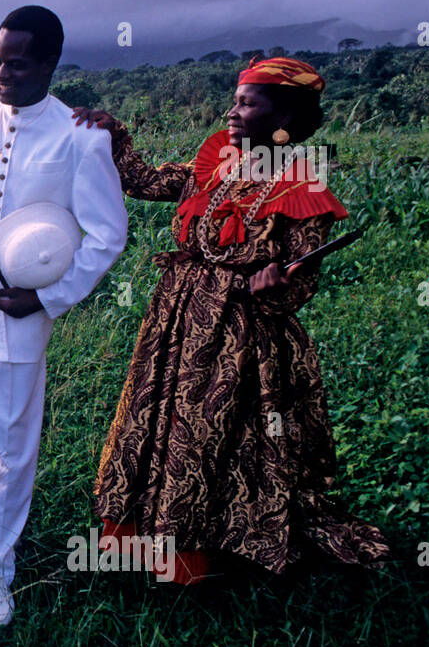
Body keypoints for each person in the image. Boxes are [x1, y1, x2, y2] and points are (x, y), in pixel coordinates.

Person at [73, 56, 390, 583]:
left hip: (239, 336)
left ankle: (201, 548)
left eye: (247, 102)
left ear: (283, 113)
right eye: (235, 100)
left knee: (211, 433)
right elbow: (147, 180)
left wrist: (276, 283)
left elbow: (302, 278)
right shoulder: (220, 162)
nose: (233, 111)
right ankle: (144, 530)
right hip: (177, 318)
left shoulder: (298, 186)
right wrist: (111, 134)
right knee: (161, 423)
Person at [0, 6, 128, 625]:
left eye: (16, 63)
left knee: (12, 434)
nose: (2, 73)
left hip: (22, 311)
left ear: (48, 63)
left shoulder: (80, 136)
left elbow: (106, 235)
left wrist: (47, 298)